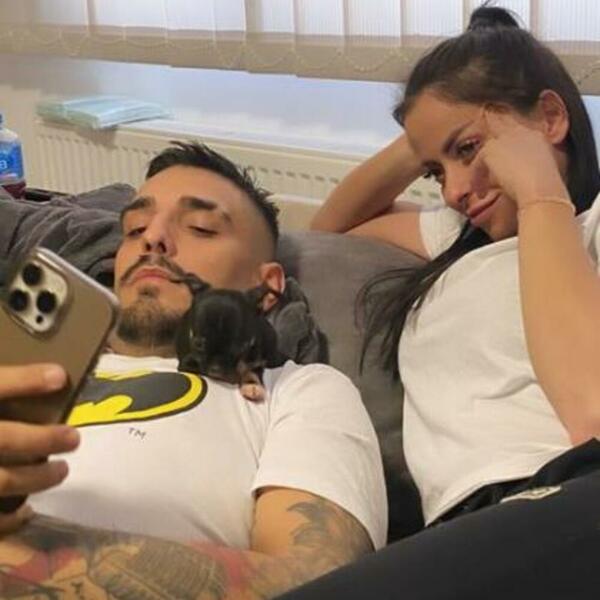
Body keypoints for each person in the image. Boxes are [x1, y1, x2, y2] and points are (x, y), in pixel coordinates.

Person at [280, 5, 600, 598]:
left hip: (572, 489)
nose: (452, 190)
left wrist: (540, 194)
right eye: (436, 171)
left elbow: (593, 410)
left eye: (470, 148)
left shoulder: (588, 228)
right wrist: (425, 138)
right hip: (476, 525)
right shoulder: (456, 239)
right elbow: (327, 229)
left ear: (551, 117)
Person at [0, 142, 387, 598]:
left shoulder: (301, 391)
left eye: (201, 228)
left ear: (267, 287)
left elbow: (317, 583)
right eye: (134, 228)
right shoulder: (34, 361)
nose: (152, 238)